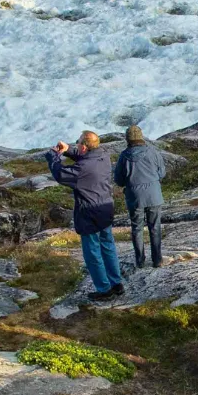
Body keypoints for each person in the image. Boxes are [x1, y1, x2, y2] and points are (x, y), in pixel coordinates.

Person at [48, 131, 122, 299]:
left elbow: (61, 175)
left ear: (83, 146)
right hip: (105, 208)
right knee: (108, 246)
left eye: (78, 143)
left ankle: (104, 290)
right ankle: (116, 283)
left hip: (89, 213)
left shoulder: (83, 169)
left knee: (92, 253)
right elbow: (86, 158)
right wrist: (67, 150)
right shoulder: (103, 155)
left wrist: (53, 156)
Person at [114, 126, 170, 271]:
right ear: (141, 137)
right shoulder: (153, 152)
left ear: (127, 139)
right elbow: (162, 173)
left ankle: (140, 261)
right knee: (155, 227)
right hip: (154, 195)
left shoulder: (123, 156)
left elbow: (119, 180)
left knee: (137, 228)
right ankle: (157, 260)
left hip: (134, 197)